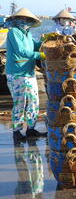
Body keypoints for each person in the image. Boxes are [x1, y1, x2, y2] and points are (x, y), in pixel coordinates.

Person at [5, 8, 47, 142]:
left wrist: (45, 43)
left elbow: (34, 45)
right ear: (16, 20)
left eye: (28, 20)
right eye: (23, 19)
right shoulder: (13, 32)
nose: (26, 21)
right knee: (20, 103)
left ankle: (31, 129)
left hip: (29, 72)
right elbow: (22, 51)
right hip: (16, 73)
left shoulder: (28, 33)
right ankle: (17, 131)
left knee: (34, 101)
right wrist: (40, 55)